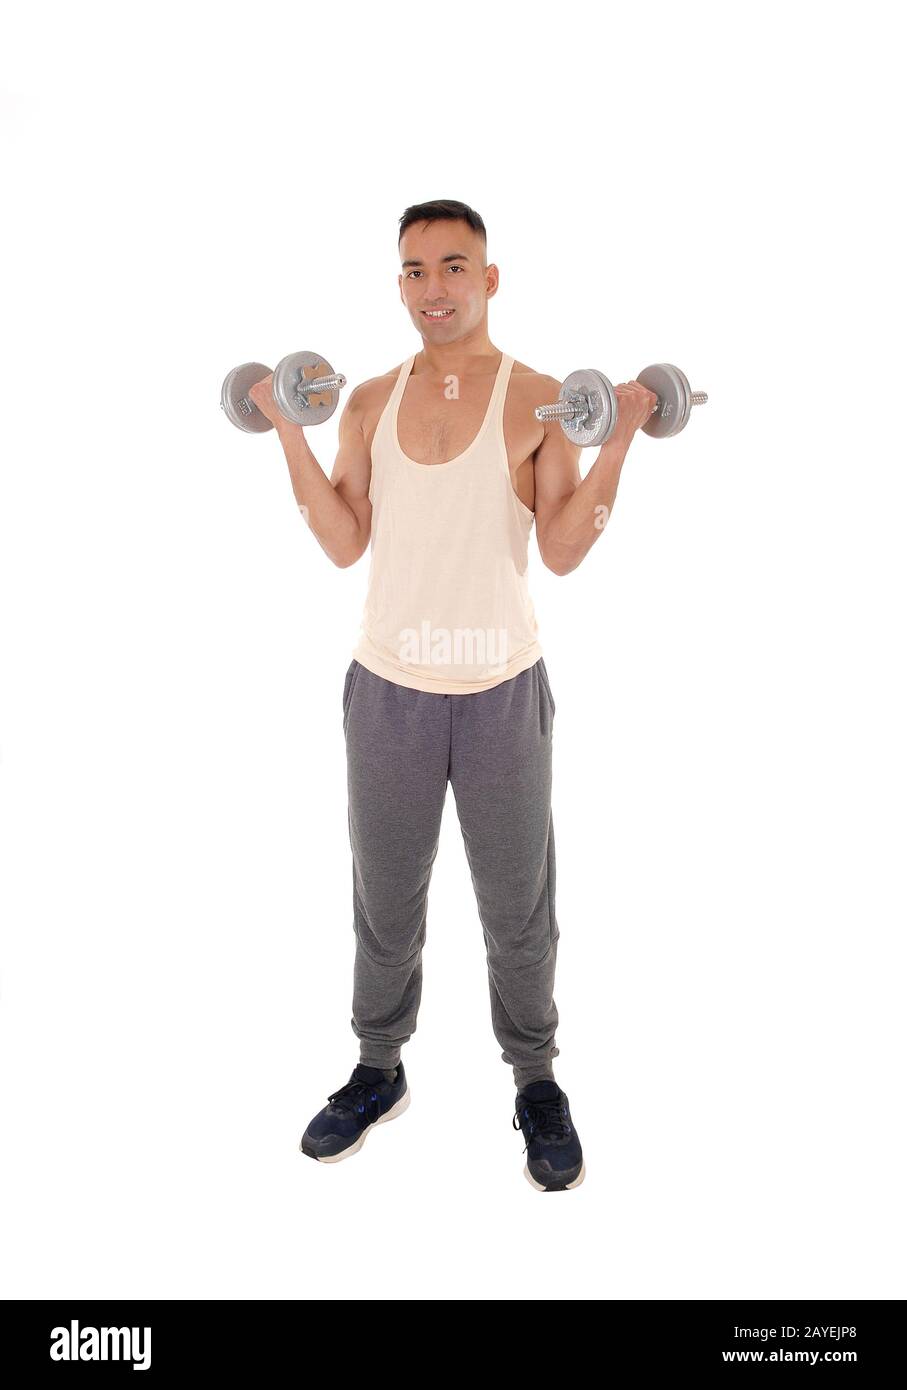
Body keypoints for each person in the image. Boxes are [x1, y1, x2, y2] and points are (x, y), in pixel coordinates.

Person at [248, 199, 657, 1191]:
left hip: (500, 691)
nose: (434, 288)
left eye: (454, 267)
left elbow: (561, 551)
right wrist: (280, 427)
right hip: (388, 687)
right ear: (399, 284)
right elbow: (346, 543)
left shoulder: (543, 397)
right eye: (415, 270)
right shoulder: (369, 400)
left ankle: (534, 1078)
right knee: (384, 899)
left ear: (490, 278)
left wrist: (624, 437)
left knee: (517, 905)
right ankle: (377, 1069)